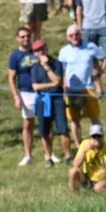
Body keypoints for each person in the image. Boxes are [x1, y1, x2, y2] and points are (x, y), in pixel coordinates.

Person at [58, 24, 104, 146]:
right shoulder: (64, 51)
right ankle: (78, 145)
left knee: (94, 117)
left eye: (77, 34)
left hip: (88, 87)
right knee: (74, 119)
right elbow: (61, 71)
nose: (74, 37)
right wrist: (65, 86)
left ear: (81, 35)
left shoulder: (90, 47)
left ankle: (98, 142)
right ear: (67, 37)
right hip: (71, 89)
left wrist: (99, 74)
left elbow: (105, 58)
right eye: (71, 35)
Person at [31, 38, 72, 167]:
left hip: (58, 99)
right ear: (34, 53)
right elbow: (35, 86)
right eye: (37, 50)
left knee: (63, 129)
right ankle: (48, 157)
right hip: (43, 100)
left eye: (42, 49)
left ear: (46, 49)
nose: (40, 52)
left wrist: (47, 67)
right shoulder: (34, 68)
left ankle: (68, 156)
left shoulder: (57, 64)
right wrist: (50, 84)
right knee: (45, 130)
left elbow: (58, 81)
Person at [8, 27, 40, 167]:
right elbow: (11, 78)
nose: (25, 39)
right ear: (17, 38)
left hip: (40, 92)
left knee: (46, 122)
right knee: (28, 124)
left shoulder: (37, 51)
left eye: (28, 36)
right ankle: (28, 155)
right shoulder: (15, 56)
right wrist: (16, 97)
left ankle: (49, 153)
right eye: (22, 37)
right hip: (25, 92)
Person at [74, 0, 106, 97]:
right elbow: (78, 10)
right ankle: (102, 89)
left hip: (103, 26)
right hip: (89, 28)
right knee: (95, 59)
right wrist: (80, 29)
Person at [69, 124, 106, 192]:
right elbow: (75, 164)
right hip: (88, 178)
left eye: (99, 136)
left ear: (103, 137)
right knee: (73, 171)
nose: (97, 139)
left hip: (103, 180)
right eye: (94, 137)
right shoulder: (85, 144)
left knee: (97, 188)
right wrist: (84, 152)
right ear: (90, 138)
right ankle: (75, 195)